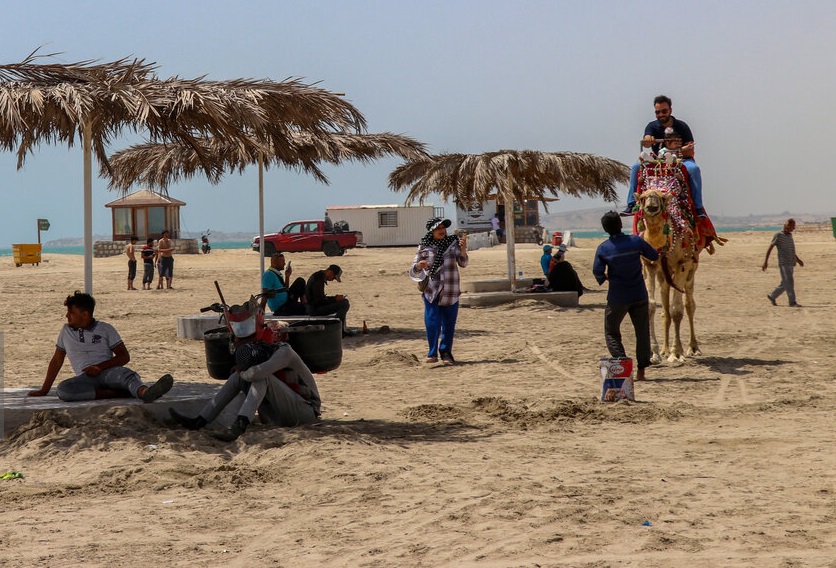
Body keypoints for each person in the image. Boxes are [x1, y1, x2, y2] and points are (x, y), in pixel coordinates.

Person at [169, 321, 321, 442]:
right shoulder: (264, 353)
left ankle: (239, 426)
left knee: (259, 377)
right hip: (281, 414)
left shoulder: (284, 352)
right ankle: (200, 421)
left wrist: (242, 372)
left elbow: (259, 373)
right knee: (238, 377)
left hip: (305, 411)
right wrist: (239, 373)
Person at [28, 291, 174, 402]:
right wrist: (44, 389)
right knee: (63, 390)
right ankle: (118, 394)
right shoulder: (65, 331)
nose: (67, 316)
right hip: (85, 379)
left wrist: (100, 367)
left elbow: (124, 356)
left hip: (108, 373)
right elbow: (56, 361)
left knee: (127, 375)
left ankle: (145, 393)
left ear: (85, 314)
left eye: (71, 312)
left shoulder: (105, 329)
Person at [592, 212, 659, 380]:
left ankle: (623, 364)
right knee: (642, 332)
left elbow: (597, 271)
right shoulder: (635, 241)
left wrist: (604, 278)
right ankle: (641, 371)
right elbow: (654, 255)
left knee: (611, 332)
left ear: (605, 229)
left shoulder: (604, 248)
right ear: (621, 225)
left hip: (617, 297)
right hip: (639, 294)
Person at [624, 95, 702, 215]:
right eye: (657, 112)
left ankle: (698, 207)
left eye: (664, 111)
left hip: (681, 160)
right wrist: (647, 140)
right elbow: (646, 140)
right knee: (635, 168)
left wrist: (675, 152)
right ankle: (631, 203)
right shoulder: (652, 126)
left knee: (694, 169)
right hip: (658, 160)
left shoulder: (682, 126)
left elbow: (690, 150)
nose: (661, 114)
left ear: (670, 110)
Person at [409, 217, 469, 365]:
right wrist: (419, 266)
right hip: (432, 291)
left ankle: (446, 353)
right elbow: (413, 269)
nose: (442, 231)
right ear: (432, 231)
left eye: (443, 228)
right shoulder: (424, 247)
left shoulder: (453, 244)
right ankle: (432, 353)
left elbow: (463, 263)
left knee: (449, 325)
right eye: (438, 228)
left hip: (451, 290)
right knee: (432, 323)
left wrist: (462, 250)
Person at [763, 218, 804, 307]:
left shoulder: (790, 236)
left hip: (791, 262)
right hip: (784, 263)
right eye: (792, 226)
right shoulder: (778, 235)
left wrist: (798, 259)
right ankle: (792, 302)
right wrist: (766, 261)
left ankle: (772, 296)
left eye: (794, 226)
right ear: (786, 225)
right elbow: (770, 248)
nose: (793, 228)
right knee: (790, 282)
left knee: (785, 283)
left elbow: (792, 250)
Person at [306, 264, 351, 336]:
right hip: (314, 309)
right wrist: (335, 299)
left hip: (314, 307)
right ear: (330, 272)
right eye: (334, 277)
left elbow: (320, 298)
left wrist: (334, 298)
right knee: (344, 304)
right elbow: (319, 301)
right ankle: (337, 330)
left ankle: (340, 329)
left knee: (343, 302)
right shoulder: (318, 279)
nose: (333, 279)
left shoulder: (319, 277)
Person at [261, 252, 307, 316]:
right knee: (306, 309)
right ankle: (304, 306)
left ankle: (304, 303)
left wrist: (287, 276)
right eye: (282, 262)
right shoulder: (268, 275)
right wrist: (261, 313)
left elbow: (285, 289)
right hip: (281, 308)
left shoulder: (277, 273)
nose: (284, 264)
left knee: (300, 281)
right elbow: (265, 295)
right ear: (274, 263)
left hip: (287, 302)